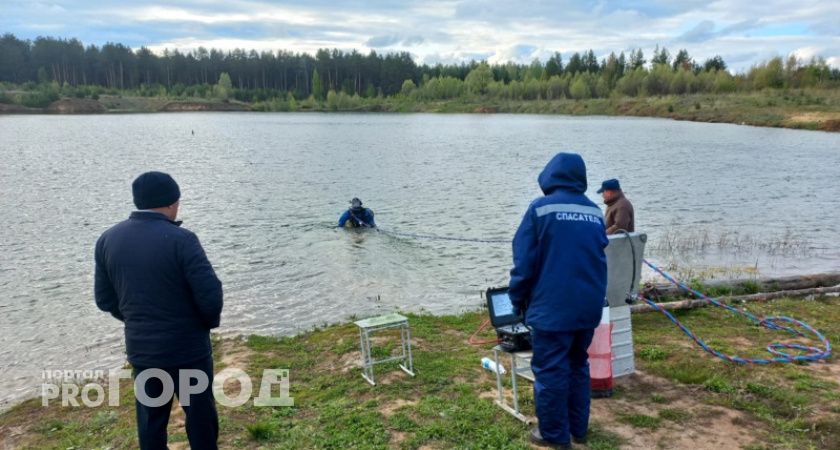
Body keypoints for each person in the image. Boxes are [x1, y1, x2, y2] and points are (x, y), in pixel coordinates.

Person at [95, 171, 223, 450]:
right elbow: (210, 296)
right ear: (172, 203)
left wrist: (137, 320)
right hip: (187, 350)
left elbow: (104, 299)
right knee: (199, 416)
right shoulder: (182, 239)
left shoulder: (107, 240)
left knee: (152, 420)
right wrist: (202, 325)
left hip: (143, 350)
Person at [509, 153, 608, 449]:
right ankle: (579, 428)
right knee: (578, 365)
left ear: (549, 175)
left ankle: (553, 434)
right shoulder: (594, 212)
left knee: (551, 370)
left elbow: (524, 262)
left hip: (553, 309)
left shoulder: (540, 209)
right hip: (589, 307)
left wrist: (516, 299)